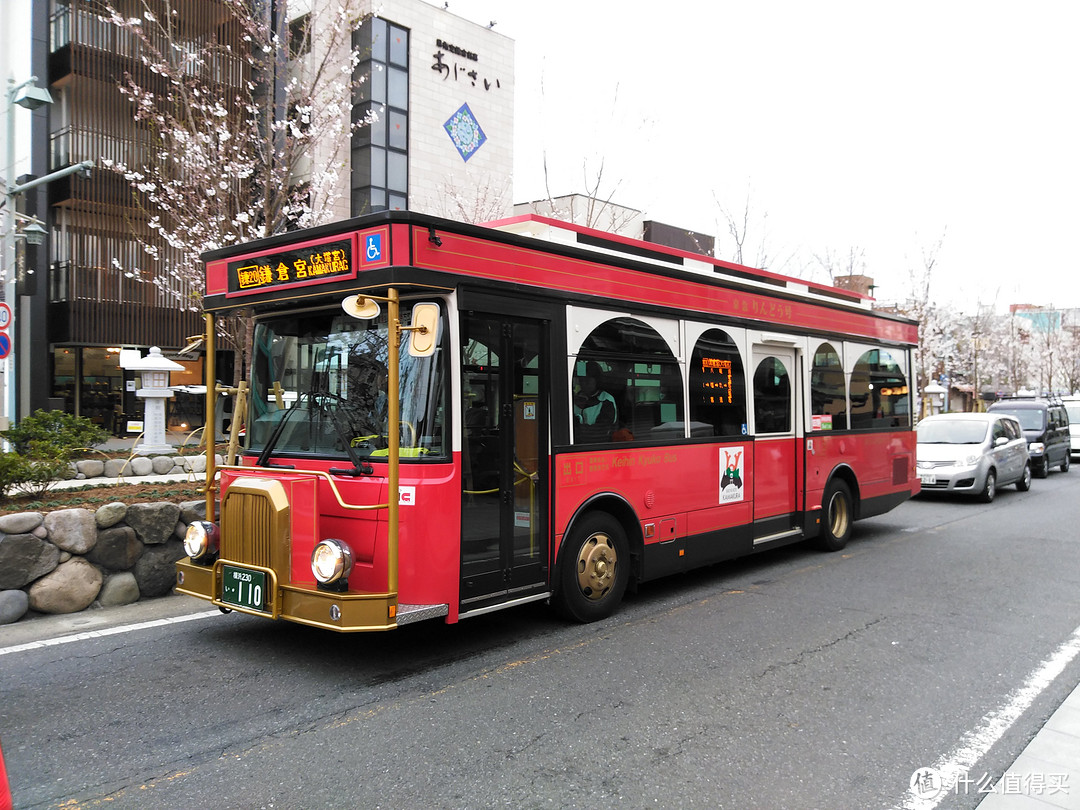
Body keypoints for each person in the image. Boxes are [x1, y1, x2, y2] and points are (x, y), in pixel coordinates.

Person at [574, 361, 618, 441]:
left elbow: (601, 430)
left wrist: (580, 429)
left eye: (587, 380)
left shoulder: (606, 400)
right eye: (581, 380)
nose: (583, 383)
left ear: (597, 380)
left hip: (597, 446)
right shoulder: (574, 399)